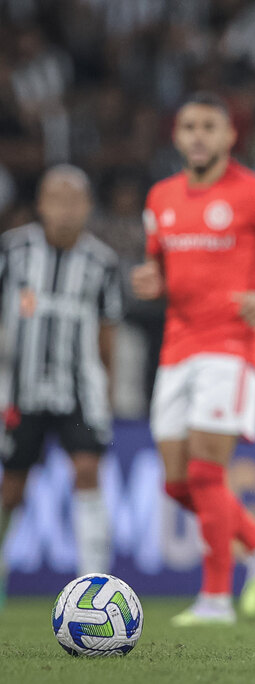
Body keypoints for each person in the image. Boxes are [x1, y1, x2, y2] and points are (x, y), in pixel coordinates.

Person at [131, 92, 255, 626]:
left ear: (228, 136)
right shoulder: (161, 197)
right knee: (176, 483)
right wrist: (152, 282)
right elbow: (161, 271)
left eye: (208, 127)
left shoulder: (254, 191)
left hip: (231, 350)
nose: (198, 135)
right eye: (188, 126)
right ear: (176, 135)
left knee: (204, 473)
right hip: (176, 350)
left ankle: (215, 599)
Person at [0, 165, 120, 607]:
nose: (66, 210)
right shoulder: (12, 253)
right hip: (21, 390)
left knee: (87, 472)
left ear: (88, 206)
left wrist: (106, 390)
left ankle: (94, 586)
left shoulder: (102, 263)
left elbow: (108, 334)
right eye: (57, 199)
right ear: (40, 204)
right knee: (11, 488)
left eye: (75, 201)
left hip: (80, 391)